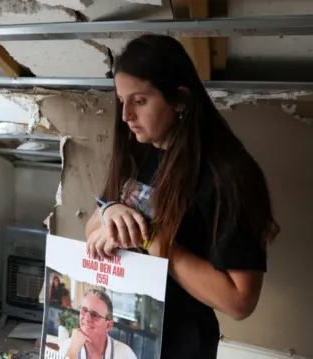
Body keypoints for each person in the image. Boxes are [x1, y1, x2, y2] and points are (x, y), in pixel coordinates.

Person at [85, 34, 280, 359]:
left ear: (180, 99)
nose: (126, 116)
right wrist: (110, 212)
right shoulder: (139, 151)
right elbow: (91, 229)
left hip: (181, 346)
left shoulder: (228, 177)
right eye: (122, 101)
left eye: (140, 101)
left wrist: (157, 243)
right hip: (124, 331)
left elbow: (240, 301)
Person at [58, 289, 136, 359]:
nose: (87, 318)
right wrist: (73, 352)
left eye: (94, 315)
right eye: (84, 310)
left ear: (108, 325)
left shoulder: (125, 354)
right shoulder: (67, 347)